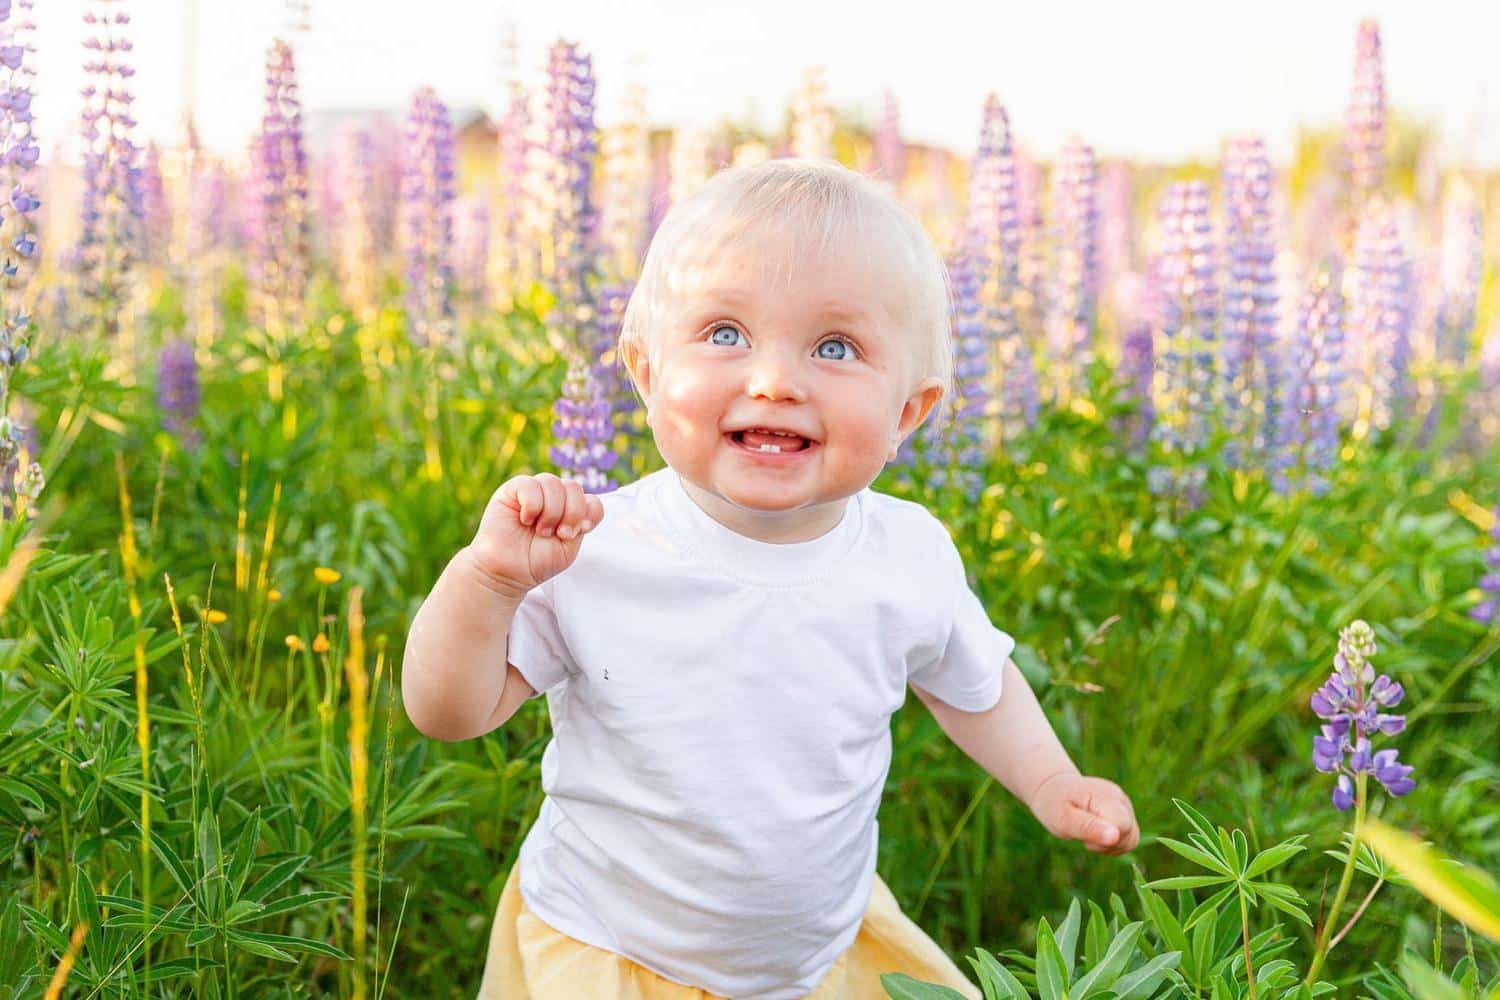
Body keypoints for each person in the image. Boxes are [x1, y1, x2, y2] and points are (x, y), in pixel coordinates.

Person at [402, 158, 1140, 1000]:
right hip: (612, 949)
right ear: (644, 374)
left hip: (814, 959)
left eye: (836, 347)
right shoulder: (596, 547)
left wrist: (1050, 781)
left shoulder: (908, 553)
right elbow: (447, 713)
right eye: (724, 333)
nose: (775, 380)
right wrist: (488, 582)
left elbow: (976, 684)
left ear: (908, 412)